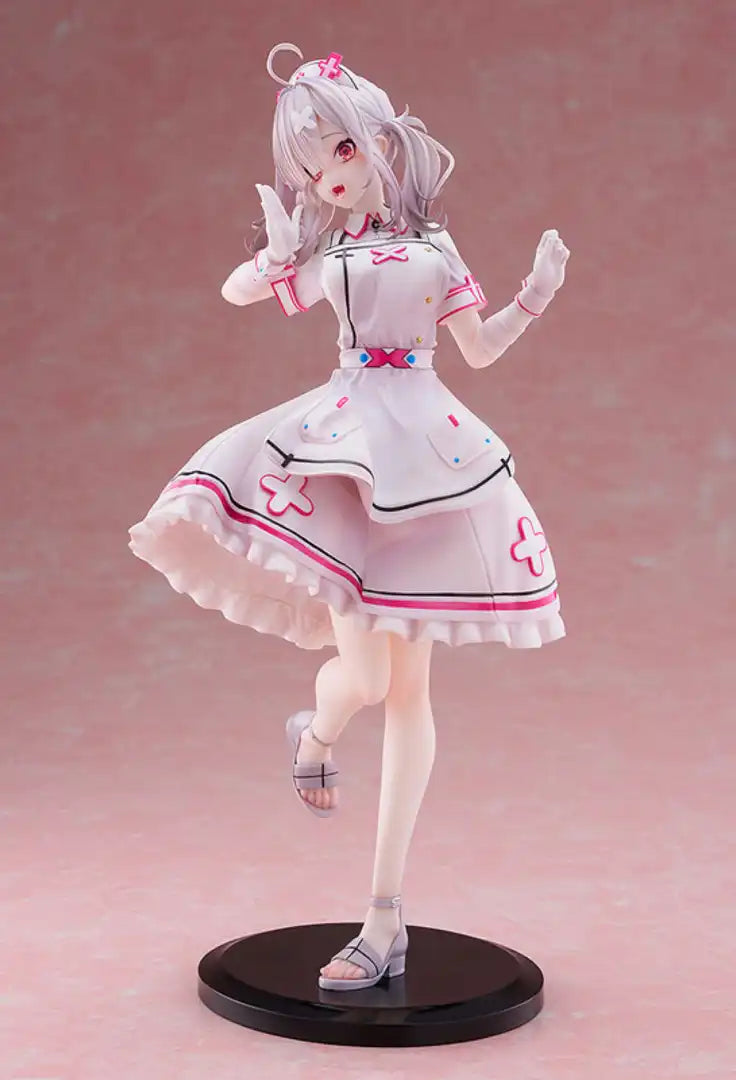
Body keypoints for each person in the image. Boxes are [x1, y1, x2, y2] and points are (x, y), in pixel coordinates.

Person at [128, 43, 570, 991]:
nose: (330, 174)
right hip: (343, 446)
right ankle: (318, 734)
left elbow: (480, 350)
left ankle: (384, 917)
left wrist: (535, 296)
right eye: (311, 162)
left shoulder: (438, 249)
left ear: (377, 140)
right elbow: (241, 292)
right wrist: (273, 257)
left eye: (339, 149)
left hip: (428, 449)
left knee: (410, 694)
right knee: (364, 677)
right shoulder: (330, 252)